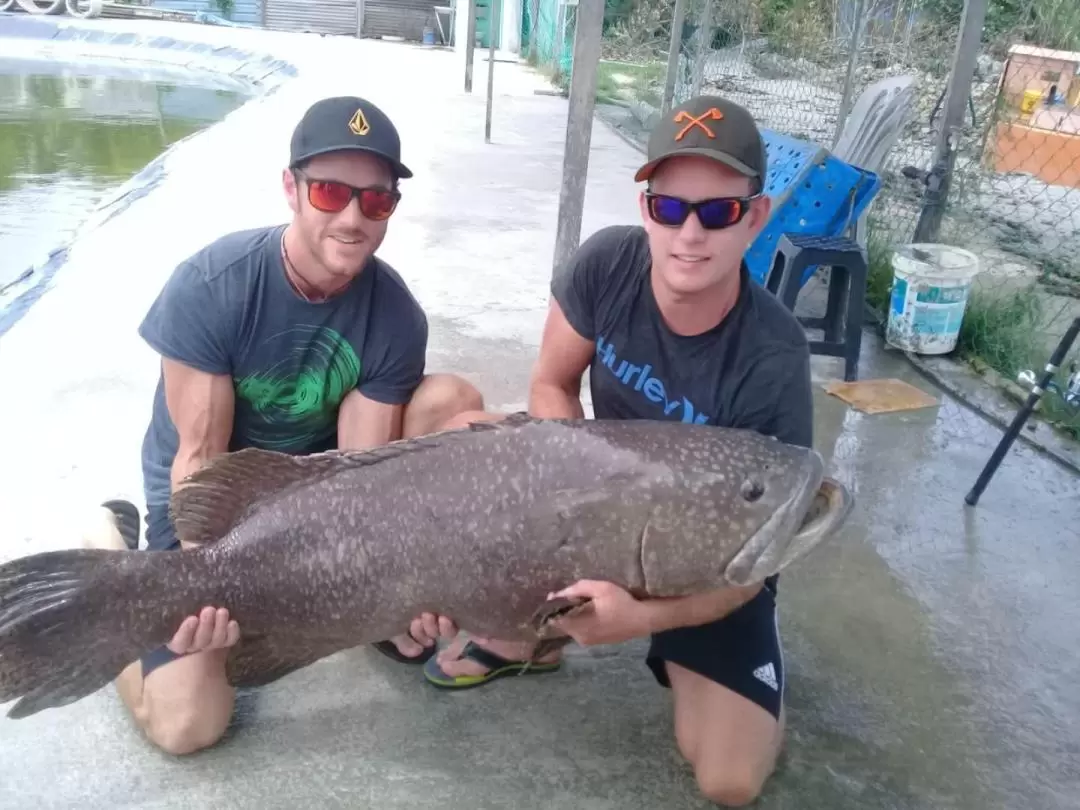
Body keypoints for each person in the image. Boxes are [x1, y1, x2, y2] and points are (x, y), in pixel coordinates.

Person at [420, 95, 814, 807]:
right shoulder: (606, 264)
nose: (689, 234)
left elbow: (759, 555)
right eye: (670, 209)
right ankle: (529, 634)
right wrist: (572, 498)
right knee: (460, 445)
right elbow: (550, 382)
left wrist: (644, 619)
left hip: (705, 555)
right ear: (646, 207)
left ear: (755, 217)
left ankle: (744, 666)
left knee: (727, 780)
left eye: (717, 212)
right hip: (601, 499)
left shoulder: (773, 357)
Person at [80, 95, 483, 757]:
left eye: (376, 201)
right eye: (330, 191)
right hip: (209, 506)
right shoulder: (212, 285)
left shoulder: (395, 314)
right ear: (291, 189)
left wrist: (391, 590)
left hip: (304, 492)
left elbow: (358, 486)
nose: (353, 218)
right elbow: (199, 466)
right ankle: (110, 561)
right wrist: (197, 586)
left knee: (450, 401)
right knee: (187, 725)